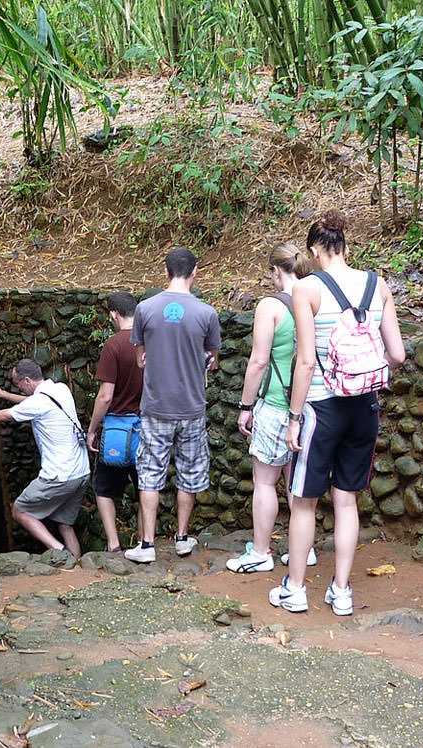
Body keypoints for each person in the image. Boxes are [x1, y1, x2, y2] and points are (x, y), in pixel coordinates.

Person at [273, 209, 405, 615]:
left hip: (320, 408)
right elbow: (397, 355)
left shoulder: (307, 289)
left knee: (304, 501)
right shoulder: (377, 284)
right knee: (346, 501)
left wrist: (294, 417)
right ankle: (342, 591)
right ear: (346, 245)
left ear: (314, 249)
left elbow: (306, 361)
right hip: (364, 406)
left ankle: (296, 588)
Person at [125, 247, 222, 563]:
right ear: (195, 272)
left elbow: (140, 354)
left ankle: (148, 545)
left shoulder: (145, 309)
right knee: (189, 473)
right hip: (191, 407)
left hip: (155, 407)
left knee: (150, 474)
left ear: (165, 272)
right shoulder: (207, 313)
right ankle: (182, 538)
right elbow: (212, 361)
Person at [228, 243, 318, 573]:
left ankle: (261, 552)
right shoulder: (317, 297)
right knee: (299, 482)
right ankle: (303, 549)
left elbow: (258, 360)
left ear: (276, 271)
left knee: (265, 481)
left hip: (277, 403)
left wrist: (246, 405)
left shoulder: (271, 306)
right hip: (310, 405)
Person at [0, 359, 88, 558]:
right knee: (64, 524)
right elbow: (33, 404)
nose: (18, 387)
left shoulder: (38, 403)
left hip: (59, 475)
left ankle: (60, 552)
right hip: (81, 472)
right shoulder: (60, 389)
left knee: (20, 511)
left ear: (27, 380)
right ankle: (79, 567)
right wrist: (2, 394)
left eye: (17, 384)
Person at [85, 291, 144, 553]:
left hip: (118, 429)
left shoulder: (113, 345)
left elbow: (105, 395)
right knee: (145, 488)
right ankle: (145, 542)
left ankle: (114, 544)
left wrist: (92, 429)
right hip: (147, 427)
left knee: (104, 488)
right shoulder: (150, 342)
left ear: (113, 314)